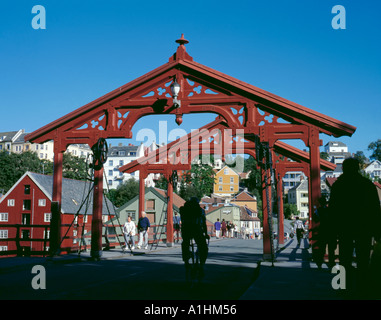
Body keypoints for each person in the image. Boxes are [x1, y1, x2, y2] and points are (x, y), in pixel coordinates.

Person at [329, 157, 381, 295]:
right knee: (363, 259)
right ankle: (362, 287)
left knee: (344, 258)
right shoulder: (367, 185)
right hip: (364, 228)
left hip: (344, 228)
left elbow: (333, 212)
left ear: (344, 169)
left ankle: (344, 287)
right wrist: (377, 232)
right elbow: (375, 210)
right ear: (357, 168)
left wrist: (332, 236)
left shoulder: (338, 186)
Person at [180, 197, 209, 280]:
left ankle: (186, 259)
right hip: (196, 230)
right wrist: (206, 234)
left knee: (185, 242)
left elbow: (182, 221)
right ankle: (202, 265)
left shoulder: (184, 210)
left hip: (186, 230)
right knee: (203, 246)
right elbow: (203, 223)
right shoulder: (200, 210)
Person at [314, 196, 337, 269]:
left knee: (321, 248)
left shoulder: (318, 210)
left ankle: (319, 263)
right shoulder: (331, 210)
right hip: (330, 231)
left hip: (322, 231)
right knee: (331, 249)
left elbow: (316, 220)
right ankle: (331, 264)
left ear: (320, 203)